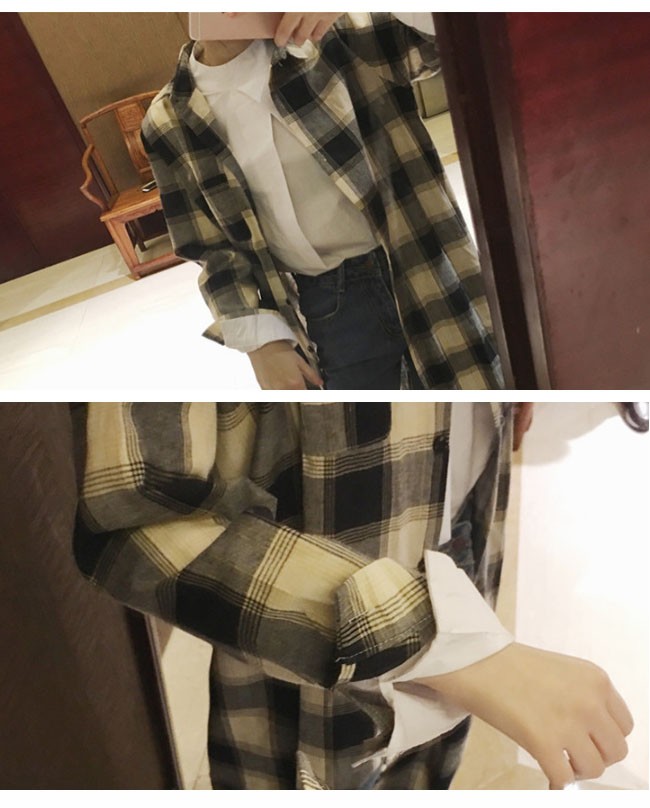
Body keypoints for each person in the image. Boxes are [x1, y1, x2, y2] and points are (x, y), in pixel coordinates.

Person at [73, 402, 632, 789]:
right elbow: (132, 521)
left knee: (427, 760)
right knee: (329, 766)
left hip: (459, 508)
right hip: (304, 608)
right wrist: (451, 644)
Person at [141, 13, 504, 390]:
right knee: (367, 421)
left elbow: (459, 35)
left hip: (423, 261)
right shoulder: (168, 121)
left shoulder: (340, 34)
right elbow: (211, 247)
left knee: (480, 394)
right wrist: (262, 343)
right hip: (326, 301)